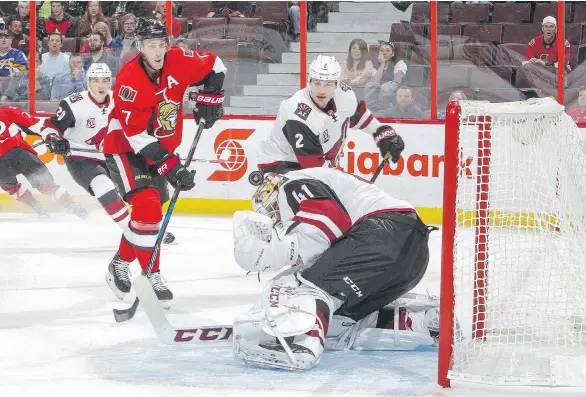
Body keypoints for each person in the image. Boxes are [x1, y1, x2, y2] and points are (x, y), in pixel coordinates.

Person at [232, 168, 436, 370]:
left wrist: (281, 251)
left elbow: (323, 228)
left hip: (382, 234)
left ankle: (298, 345)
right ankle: (417, 321)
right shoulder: (321, 183)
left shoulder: (291, 184)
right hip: (411, 254)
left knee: (308, 288)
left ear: (270, 189)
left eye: (269, 207)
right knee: (337, 319)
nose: (274, 214)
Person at [101, 18, 226, 303]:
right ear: (140, 47)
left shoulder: (179, 59)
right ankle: (151, 274)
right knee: (147, 207)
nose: (157, 52)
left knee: (150, 214)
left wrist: (211, 97)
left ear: (167, 45)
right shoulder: (128, 82)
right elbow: (136, 137)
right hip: (126, 148)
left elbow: (217, 65)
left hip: (161, 150)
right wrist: (172, 167)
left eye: (161, 45)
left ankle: (119, 263)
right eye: (150, 46)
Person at [256, 55, 404, 175]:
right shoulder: (297, 112)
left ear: (336, 85)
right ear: (309, 82)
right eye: (317, 83)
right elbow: (314, 168)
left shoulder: (343, 95)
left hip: (311, 168)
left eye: (328, 84)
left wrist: (379, 131)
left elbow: (356, 116)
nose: (321, 90)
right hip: (279, 166)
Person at [0, 106, 87, 218]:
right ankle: (77, 209)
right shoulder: (7, 111)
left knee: (12, 189)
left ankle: (38, 208)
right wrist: (51, 136)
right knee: (47, 187)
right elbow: (36, 125)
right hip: (21, 154)